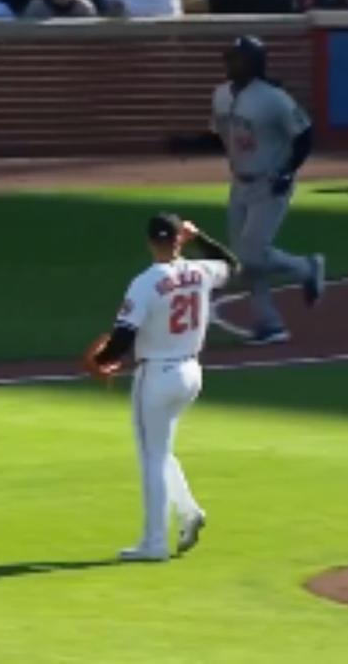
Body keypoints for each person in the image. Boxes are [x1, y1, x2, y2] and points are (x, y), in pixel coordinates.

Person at [84, 213, 239, 561]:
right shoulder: (201, 271)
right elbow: (233, 265)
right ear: (178, 240)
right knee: (160, 450)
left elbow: (122, 338)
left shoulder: (145, 282)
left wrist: (100, 361)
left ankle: (154, 543)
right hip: (191, 374)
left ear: (150, 242)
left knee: (151, 457)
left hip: (156, 376)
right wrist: (200, 237)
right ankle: (189, 513)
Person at [210, 36, 325, 343]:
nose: (229, 64)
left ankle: (307, 268)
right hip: (239, 183)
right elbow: (221, 133)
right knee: (243, 259)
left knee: (252, 253)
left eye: (235, 59)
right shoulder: (221, 95)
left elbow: (304, 134)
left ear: (252, 63)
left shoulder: (274, 98)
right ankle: (269, 323)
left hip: (270, 182)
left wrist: (288, 171)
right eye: (228, 58)